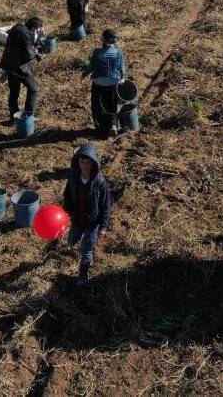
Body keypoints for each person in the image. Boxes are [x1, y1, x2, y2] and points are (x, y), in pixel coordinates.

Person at [62, 143, 112, 287]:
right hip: (77, 219)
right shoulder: (73, 177)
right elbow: (67, 196)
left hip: (92, 222)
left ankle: (83, 274)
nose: (84, 165)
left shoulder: (100, 182)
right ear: (77, 162)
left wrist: (103, 226)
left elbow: (105, 204)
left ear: (93, 163)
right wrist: (67, 212)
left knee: (87, 248)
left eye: (88, 162)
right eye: (81, 161)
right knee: (72, 240)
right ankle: (72, 248)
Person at [0, 17, 42, 122]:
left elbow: (21, 47)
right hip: (20, 68)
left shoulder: (16, 28)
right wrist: (36, 53)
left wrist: (33, 51)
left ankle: (13, 118)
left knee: (14, 92)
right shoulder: (26, 35)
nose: (37, 32)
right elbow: (28, 55)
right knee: (33, 90)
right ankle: (27, 116)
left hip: (9, 65)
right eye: (37, 29)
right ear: (33, 28)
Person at [85, 29, 126, 136]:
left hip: (98, 82)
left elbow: (91, 67)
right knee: (112, 104)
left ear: (103, 39)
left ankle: (100, 127)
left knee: (97, 105)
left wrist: (84, 73)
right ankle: (113, 125)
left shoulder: (97, 52)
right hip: (113, 81)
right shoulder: (119, 52)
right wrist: (121, 79)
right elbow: (122, 69)